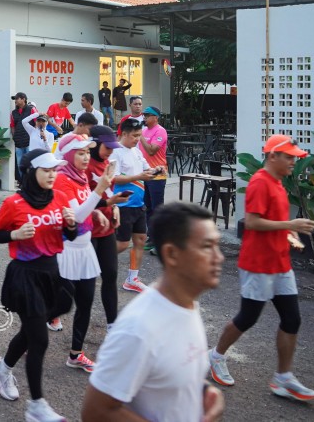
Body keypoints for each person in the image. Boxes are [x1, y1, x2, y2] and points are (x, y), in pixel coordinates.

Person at [82, 203, 226, 422]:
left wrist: (205, 391)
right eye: (207, 246)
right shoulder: (138, 329)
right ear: (171, 254)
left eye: (217, 245)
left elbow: (167, 373)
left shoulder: (185, 305)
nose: (219, 257)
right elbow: (96, 411)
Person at [208, 134, 314, 402]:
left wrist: (288, 236)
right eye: (289, 156)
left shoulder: (279, 183)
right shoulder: (260, 182)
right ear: (273, 157)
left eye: (295, 157)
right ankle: (216, 356)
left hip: (280, 262)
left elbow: (273, 222)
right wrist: (290, 227)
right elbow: (253, 223)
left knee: (292, 319)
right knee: (248, 317)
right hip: (258, 264)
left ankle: (283, 378)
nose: (294, 161)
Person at [0, 150, 83, 422]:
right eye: (47, 170)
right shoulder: (14, 203)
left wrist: (71, 224)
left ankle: (2, 369)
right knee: (39, 338)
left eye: (55, 170)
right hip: (25, 277)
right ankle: (36, 407)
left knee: (54, 313)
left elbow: (69, 233)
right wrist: (14, 234)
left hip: (52, 272)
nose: (53, 174)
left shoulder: (60, 198)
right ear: (31, 172)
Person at [50, 133, 116, 373]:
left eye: (88, 152)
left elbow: (84, 207)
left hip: (84, 250)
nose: (86, 157)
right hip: (65, 251)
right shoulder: (61, 180)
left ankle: (76, 354)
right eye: (80, 152)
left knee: (86, 302)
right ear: (68, 155)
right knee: (57, 304)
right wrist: (99, 191)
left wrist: (97, 212)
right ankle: (28, 336)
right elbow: (75, 216)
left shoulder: (79, 179)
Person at [109, 119, 160, 293]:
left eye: (140, 135)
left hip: (139, 204)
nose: (138, 139)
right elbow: (113, 178)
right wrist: (138, 176)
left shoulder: (137, 151)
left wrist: (155, 171)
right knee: (122, 244)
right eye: (135, 135)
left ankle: (132, 279)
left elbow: (146, 169)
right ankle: (94, 261)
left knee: (139, 240)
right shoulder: (115, 152)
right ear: (124, 133)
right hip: (123, 204)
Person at [88, 125, 125, 331]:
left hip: (107, 228)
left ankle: (112, 324)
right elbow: (82, 198)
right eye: (107, 147)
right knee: (84, 282)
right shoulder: (84, 163)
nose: (110, 151)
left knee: (110, 274)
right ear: (94, 144)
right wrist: (104, 206)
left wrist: (116, 205)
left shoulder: (108, 163)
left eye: (112, 147)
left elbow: (109, 191)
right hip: (88, 230)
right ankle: (54, 313)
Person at [139, 106, 168, 250]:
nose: (144, 117)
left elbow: (151, 151)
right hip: (146, 174)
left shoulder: (160, 131)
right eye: (144, 115)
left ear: (155, 117)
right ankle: (151, 238)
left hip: (158, 174)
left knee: (157, 209)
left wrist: (140, 137)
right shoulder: (144, 131)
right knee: (148, 208)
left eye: (147, 115)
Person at [9, 92, 35, 183]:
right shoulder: (13, 113)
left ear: (23, 99)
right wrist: (14, 137)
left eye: (17, 98)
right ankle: (22, 182)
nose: (15, 101)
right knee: (20, 164)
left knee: (30, 163)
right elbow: (12, 126)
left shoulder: (31, 110)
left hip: (29, 142)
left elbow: (36, 123)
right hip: (18, 143)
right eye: (15, 99)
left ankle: (30, 183)